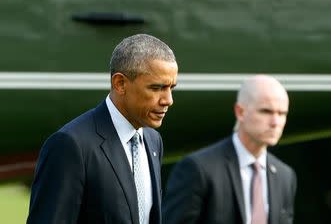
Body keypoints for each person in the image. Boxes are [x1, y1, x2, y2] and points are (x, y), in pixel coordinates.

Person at [27, 34, 178, 224]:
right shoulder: (70, 145)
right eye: (157, 88)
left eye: (171, 88)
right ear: (120, 83)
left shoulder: (153, 140)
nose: (168, 100)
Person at [163, 75, 297, 224]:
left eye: (282, 114)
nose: (275, 122)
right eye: (266, 111)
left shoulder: (285, 176)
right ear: (240, 112)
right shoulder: (198, 169)